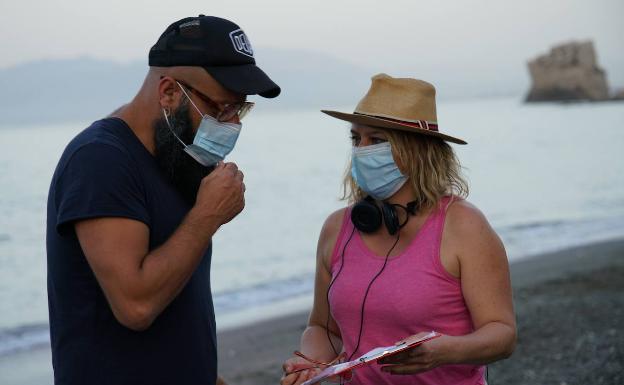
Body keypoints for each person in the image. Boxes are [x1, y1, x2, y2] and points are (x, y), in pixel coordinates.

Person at [46, 15, 280, 385]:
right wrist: (207, 216)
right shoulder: (100, 160)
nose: (232, 123)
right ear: (169, 92)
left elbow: (178, 310)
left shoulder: (177, 156)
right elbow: (135, 306)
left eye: (240, 109)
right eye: (221, 108)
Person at [280, 74, 516, 385]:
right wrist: (311, 362)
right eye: (356, 138)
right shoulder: (337, 228)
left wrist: (447, 351)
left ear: (417, 150)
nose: (361, 150)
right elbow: (323, 328)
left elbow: (502, 334)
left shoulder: (464, 226)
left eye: (376, 140)